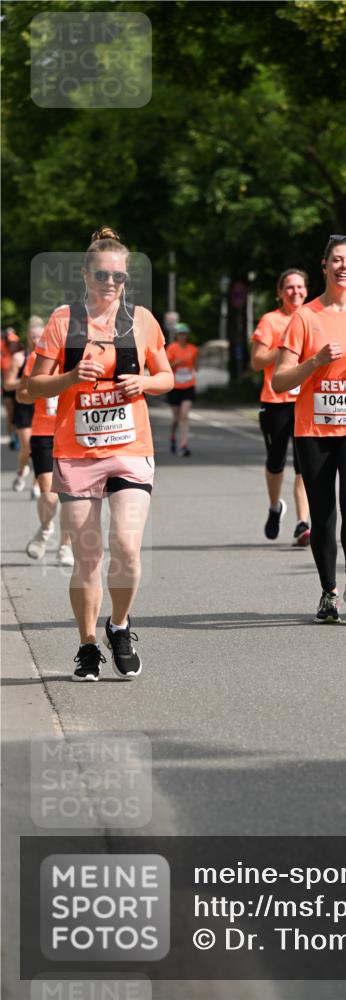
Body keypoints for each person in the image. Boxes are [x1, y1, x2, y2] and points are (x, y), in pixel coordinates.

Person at [28, 226, 174, 680]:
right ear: (85, 274)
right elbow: (28, 388)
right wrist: (70, 379)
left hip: (130, 448)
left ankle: (120, 625)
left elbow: (167, 377)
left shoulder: (143, 321)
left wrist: (144, 383)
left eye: (119, 277)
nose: (111, 284)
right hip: (76, 452)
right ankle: (87, 644)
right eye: (102, 275)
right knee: (88, 555)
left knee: (127, 548)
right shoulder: (63, 320)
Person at [272, 235, 346, 624]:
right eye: (336, 259)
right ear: (324, 266)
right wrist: (316, 362)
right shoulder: (305, 317)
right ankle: (328, 593)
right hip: (314, 427)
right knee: (323, 512)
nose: (343, 266)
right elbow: (280, 381)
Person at [250, 270, 311, 544]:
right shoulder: (270, 321)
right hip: (276, 401)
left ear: (306, 291)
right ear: (280, 292)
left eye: (299, 287)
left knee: (304, 465)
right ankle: (275, 507)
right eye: (289, 287)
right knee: (276, 462)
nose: (294, 291)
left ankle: (302, 523)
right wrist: (285, 344)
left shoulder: (314, 318)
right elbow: (257, 361)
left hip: (306, 401)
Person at [16, 323, 74, 566]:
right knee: (50, 495)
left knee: (71, 497)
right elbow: (21, 394)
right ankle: (45, 529)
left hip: (73, 434)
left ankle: (65, 547)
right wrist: (38, 390)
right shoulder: (38, 359)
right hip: (43, 433)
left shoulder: (80, 357)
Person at [4, 321, 43, 493]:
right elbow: (7, 384)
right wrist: (28, 381)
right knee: (27, 448)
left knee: (40, 449)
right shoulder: (20, 358)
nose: (36, 340)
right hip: (24, 407)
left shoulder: (50, 359)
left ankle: (36, 484)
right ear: (27, 338)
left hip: (44, 408)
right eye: (33, 337)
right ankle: (21, 472)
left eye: (39, 337)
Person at [165, 322, 198, 456]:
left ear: (187, 336)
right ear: (176, 336)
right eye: (180, 334)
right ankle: (173, 436)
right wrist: (175, 364)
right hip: (175, 386)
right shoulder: (171, 348)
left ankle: (183, 444)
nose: (182, 337)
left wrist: (193, 368)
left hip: (188, 385)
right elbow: (166, 367)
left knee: (184, 415)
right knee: (176, 418)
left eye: (184, 334)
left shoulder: (193, 349)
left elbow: (196, 365)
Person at [2, 327, 21, 449]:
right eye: (10, 342)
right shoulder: (3, 355)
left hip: (18, 387)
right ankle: (11, 436)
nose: (12, 344)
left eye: (14, 342)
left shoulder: (20, 355)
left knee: (18, 412)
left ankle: (18, 435)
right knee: (10, 413)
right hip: (7, 388)